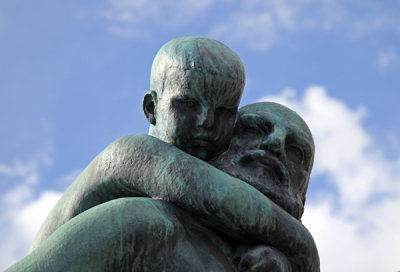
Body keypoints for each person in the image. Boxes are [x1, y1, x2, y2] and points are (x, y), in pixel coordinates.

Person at [8, 37, 319, 271]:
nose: (205, 123)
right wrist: (303, 250)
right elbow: (220, 198)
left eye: (223, 113)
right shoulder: (137, 169)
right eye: (187, 105)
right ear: (151, 109)